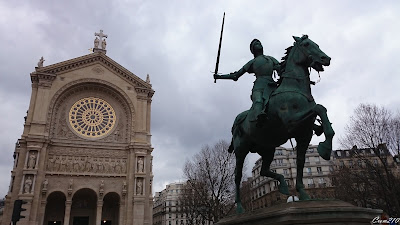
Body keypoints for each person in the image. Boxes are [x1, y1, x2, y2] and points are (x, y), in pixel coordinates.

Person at [214, 39, 280, 124]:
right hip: (259, 88)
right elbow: (236, 75)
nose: (259, 44)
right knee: (258, 101)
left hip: (272, 85)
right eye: (256, 44)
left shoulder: (270, 59)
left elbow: (280, 68)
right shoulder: (252, 62)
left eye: (259, 43)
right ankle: (258, 121)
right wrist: (219, 77)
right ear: (253, 50)